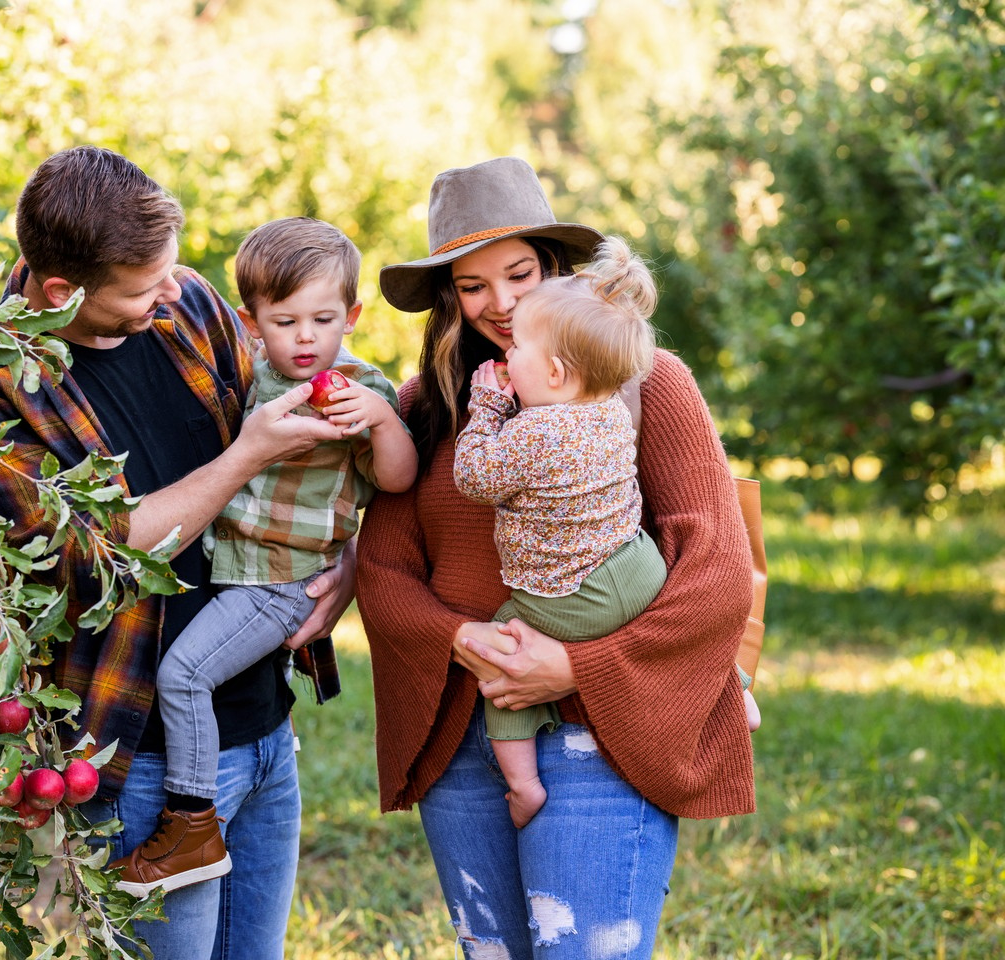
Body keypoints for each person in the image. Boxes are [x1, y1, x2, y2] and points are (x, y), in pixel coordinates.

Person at [0, 146, 355, 959]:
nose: (173, 292)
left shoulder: (188, 306)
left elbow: (308, 449)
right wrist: (243, 454)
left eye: (171, 272)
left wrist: (345, 566)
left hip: (263, 726)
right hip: (140, 759)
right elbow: (89, 550)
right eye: (145, 288)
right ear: (63, 291)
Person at [357, 156, 756, 959]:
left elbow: (715, 569)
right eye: (472, 287)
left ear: (555, 267)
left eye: (519, 273)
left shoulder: (644, 381)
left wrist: (579, 666)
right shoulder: (427, 408)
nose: (500, 304)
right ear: (449, 299)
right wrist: (460, 640)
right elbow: (384, 572)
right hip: (469, 732)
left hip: (599, 729)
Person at [109, 217, 417, 897]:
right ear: (250, 321)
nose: (306, 338)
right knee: (193, 667)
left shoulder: (357, 389)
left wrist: (383, 420)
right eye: (286, 321)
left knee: (183, 674)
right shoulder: (247, 377)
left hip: (282, 581)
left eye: (323, 319)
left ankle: (191, 823)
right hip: (239, 572)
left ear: (353, 316)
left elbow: (395, 481)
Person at [452, 235, 667, 831]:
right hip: (637, 567)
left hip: (571, 599)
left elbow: (474, 478)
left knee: (500, 658)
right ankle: (734, 689)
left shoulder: (533, 430)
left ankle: (523, 785)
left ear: (551, 370)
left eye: (519, 345)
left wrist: (487, 410)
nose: (507, 340)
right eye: (472, 286)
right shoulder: (611, 409)